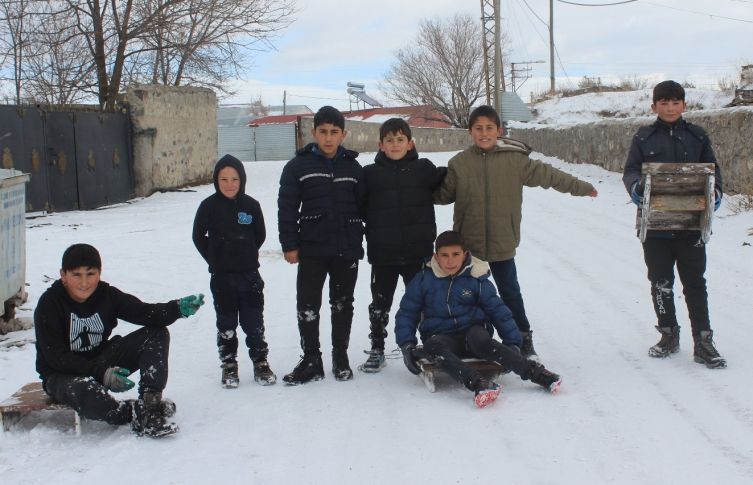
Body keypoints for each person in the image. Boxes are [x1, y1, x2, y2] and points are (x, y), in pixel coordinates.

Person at [433, 105, 598, 360]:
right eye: (478, 128)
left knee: (509, 291)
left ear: (499, 130)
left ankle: (523, 337)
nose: (484, 133)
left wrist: (581, 187)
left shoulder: (516, 160)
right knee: (466, 293)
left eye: (489, 128)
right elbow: (443, 195)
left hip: (502, 238)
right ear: (470, 132)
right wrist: (421, 182)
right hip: (468, 243)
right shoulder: (459, 163)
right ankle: (464, 337)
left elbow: (549, 175)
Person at [33, 244, 205, 437]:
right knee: (88, 394)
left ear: (99, 273)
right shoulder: (49, 304)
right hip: (62, 374)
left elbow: (143, 313)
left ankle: (150, 406)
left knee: (156, 333)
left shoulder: (106, 294)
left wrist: (176, 309)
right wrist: (101, 374)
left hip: (101, 360)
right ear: (63, 275)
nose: (84, 282)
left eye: (90, 274)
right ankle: (127, 412)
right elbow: (56, 357)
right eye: (76, 275)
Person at [622, 80, 725, 369]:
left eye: (675, 102)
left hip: (691, 225)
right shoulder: (643, 138)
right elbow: (630, 170)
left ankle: (703, 341)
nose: (669, 108)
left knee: (695, 283)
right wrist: (636, 188)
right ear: (654, 106)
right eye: (664, 103)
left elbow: (713, 170)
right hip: (654, 227)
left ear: (684, 105)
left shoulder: (697, 135)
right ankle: (668, 334)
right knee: (660, 282)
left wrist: (715, 193)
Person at [395, 231, 562, 408]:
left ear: (465, 255)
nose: (450, 261)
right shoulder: (423, 280)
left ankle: (538, 373)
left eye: (456, 255)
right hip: (441, 336)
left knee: (482, 341)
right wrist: (407, 345)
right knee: (431, 348)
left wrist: (512, 343)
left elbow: (498, 311)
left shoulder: (475, 278)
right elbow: (407, 313)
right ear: (436, 257)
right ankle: (478, 383)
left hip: (473, 332)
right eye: (444, 255)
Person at [277, 106, 366, 384]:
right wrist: (290, 245)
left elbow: (365, 207)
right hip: (312, 248)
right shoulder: (297, 167)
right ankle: (312, 359)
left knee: (342, 304)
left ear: (343, 134)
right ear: (313, 132)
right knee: (308, 305)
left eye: (334, 132)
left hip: (345, 248)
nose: (328, 138)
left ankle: (340, 357)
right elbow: (287, 209)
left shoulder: (353, 167)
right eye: (323, 132)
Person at [358, 118, 446, 373]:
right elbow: (361, 207)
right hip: (383, 254)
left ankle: (430, 344)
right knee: (380, 303)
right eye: (389, 140)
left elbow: (450, 180)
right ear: (380, 144)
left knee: (421, 302)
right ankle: (377, 348)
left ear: (410, 143)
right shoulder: (369, 174)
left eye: (400, 140)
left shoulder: (423, 168)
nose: (395, 144)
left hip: (417, 253)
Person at [192, 154, 277, 388]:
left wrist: (246, 253)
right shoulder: (208, 206)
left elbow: (260, 235)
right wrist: (214, 257)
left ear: (242, 180)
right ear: (216, 181)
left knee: (253, 322)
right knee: (226, 323)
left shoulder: (251, 206)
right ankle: (229, 365)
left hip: (249, 276)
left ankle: (260, 362)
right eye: (223, 179)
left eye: (234, 179)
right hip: (222, 278)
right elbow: (198, 235)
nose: (229, 184)